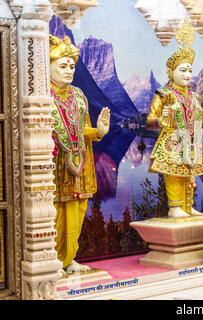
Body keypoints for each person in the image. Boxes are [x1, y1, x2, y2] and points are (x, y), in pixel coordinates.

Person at [146, 19, 203, 218]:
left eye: (189, 70)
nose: (188, 74)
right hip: (172, 142)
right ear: (171, 72)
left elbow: (196, 121)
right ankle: (175, 207)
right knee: (174, 174)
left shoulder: (194, 97)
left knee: (189, 174)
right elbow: (149, 121)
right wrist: (161, 120)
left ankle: (188, 206)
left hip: (191, 142)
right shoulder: (163, 94)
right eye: (183, 70)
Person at [49, 35, 110, 274]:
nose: (69, 71)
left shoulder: (78, 95)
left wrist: (98, 131)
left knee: (76, 214)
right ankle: (51, 260)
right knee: (53, 215)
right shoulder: (41, 96)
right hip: (53, 168)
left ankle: (69, 259)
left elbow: (80, 130)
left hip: (79, 167)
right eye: (62, 66)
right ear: (49, 66)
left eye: (72, 66)